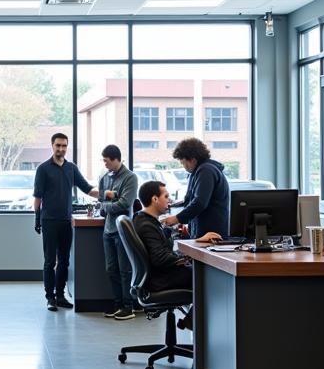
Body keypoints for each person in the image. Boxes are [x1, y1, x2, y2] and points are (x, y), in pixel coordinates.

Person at [33, 133, 98, 312]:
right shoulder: (43, 169)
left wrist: (106, 193)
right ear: (52, 145)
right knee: (49, 261)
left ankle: (60, 296)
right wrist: (37, 218)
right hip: (49, 221)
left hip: (65, 221)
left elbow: (87, 188)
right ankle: (50, 298)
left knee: (64, 261)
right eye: (58, 145)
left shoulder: (71, 168)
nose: (61, 149)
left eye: (64, 146)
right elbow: (37, 197)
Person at [133, 180, 222, 293]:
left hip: (160, 276)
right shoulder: (147, 226)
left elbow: (162, 242)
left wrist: (197, 241)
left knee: (203, 272)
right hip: (161, 280)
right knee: (209, 275)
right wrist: (189, 255)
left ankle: (199, 310)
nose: (169, 200)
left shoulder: (144, 219)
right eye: (166, 196)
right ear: (155, 199)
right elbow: (161, 258)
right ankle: (202, 310)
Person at [159, 138, 231, 240]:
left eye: (184, 163)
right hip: (205, 231)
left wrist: (177, 218)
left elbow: (200, 202)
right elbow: (193, 199)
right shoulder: (199, 171)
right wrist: (175, 203)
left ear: (192, 159)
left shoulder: (206, 171)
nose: (184, 167)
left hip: (210, 234)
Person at [98, 145, 139, 320]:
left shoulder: (130, 177)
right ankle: (118, 304)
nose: (105, 164)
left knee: (125, 270)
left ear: (116, 159)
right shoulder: (105, 177)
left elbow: (124, 204)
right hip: (108, 230)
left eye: (106, 161)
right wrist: (110, 199)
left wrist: (109, 201)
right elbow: (100, 199)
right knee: (111, 269)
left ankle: (129, 306)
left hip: (122, 231)